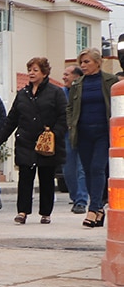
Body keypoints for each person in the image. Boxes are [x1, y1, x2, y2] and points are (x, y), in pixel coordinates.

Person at [0, 57, 67, 225]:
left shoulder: (56, 92)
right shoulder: (22, 94)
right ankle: (22, 212)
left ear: (44, 73)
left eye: (35, 70)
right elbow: (12, 120)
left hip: (47, 143)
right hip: (25, 141)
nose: (31, 73)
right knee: (25, 178)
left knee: (46, 179)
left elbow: (64, 116)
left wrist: (54, 134)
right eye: (29, 69)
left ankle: (46, 213)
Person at [67, 47, 118, 229]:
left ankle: (94, 207)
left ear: (98, 62)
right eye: (81, 62)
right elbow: (70, 107)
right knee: (88, 170)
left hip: (104, 132)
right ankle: (99, 210)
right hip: (83, 133)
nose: (83, 65)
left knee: (98, 168)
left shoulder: (110, 81)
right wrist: (71, 123)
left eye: (87, 61)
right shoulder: (77, 84)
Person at [61, 65, 88, 213]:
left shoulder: (85, 91)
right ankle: (75, 196)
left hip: (83, 133)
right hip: (66, 135)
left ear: (77, 77)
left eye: (67, 74)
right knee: (68, 169)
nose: (64, 77)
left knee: (81, 168)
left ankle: (81, 200)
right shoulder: (61, 93)